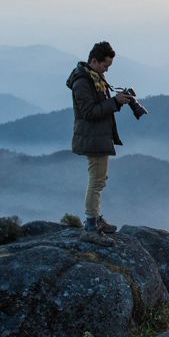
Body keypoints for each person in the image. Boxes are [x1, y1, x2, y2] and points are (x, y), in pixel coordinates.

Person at [66, 41, 135, 234]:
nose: (106, 70)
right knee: (96, 181)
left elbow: (99, 106)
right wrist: (114, 102)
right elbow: (89, 112)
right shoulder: (82, 82)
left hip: (98, 136)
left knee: (100, 179)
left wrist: (117, 101)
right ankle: (91, 225)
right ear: (94, 61)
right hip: (92, 138)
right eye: (105, 65)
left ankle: (95, 219)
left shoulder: (94, 78)